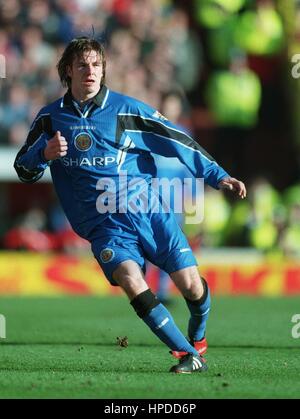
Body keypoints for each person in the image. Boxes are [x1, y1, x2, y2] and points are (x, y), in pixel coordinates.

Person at [14, 37, 246, 374]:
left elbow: (175, 139)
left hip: (149, 213)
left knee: (192, 287)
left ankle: (198, 335)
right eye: (82, 65)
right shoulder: (50, 119)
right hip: (103, 226)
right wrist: (42, 154)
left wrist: (217, 175)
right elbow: (23, 167)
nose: (90, 71)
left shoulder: (126, 110)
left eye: (96, 64)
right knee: (130, 278)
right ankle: (187, 356)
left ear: (104, 69)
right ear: (68, 70)